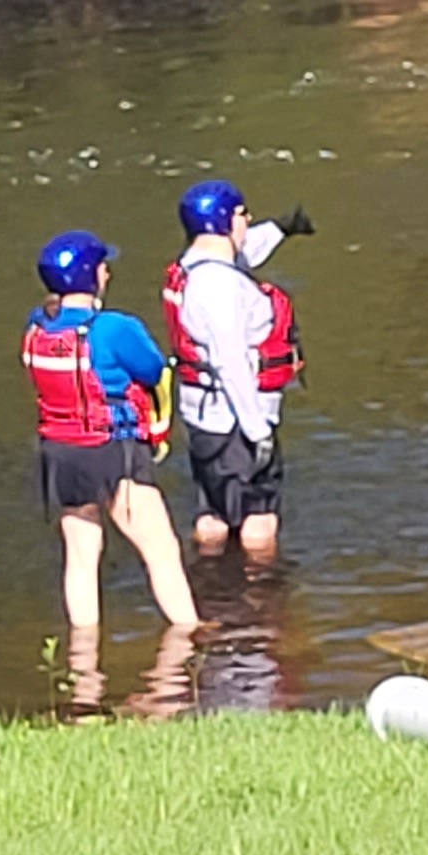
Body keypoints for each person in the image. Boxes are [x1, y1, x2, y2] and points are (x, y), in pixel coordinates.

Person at [19, 230, 204, 638]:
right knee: (161, 550)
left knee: (81, 558)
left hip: (59, 454)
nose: (107, 273)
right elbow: (155, 370)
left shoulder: (36, 330)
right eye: (104, 267)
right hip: (113, 452)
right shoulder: (114, 328)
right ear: (92, 276)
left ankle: (84, 665)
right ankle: (190, 641)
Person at [164, 178, 304, 565]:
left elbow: (246, 250)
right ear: (225, 220)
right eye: (244, 214)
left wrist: (281, 228)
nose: (249, 220)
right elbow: (231, 363)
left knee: (214, 514)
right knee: (258, 522)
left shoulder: (195, 266)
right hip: (236, 421)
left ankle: (212, 591)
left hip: (204, 417)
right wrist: (258, 432)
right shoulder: (220, 287)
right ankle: (256, 611)